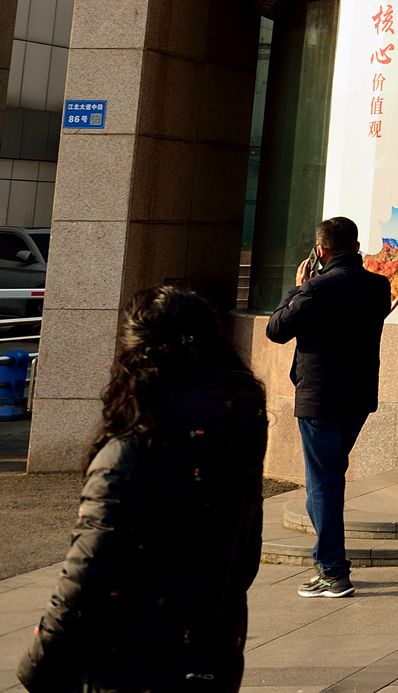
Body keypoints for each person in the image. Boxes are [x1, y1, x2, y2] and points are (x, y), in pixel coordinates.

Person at [15, 287, 268, 693]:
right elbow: (245, 553)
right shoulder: (238, 424)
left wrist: (37, 666)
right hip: (210, 657)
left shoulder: (133, 451)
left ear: (134, 356)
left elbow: (89, 577)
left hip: (130, 669)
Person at [266, 216, 393, 598]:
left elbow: (276, 330)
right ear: (356, 247)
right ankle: (329, 562)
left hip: (320, 399)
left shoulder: (315, 288)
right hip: (357, 398)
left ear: (320, 251)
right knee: (329, 479)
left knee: (323, 484)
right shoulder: (378, 286)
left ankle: (334, 572)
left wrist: (297, 288)